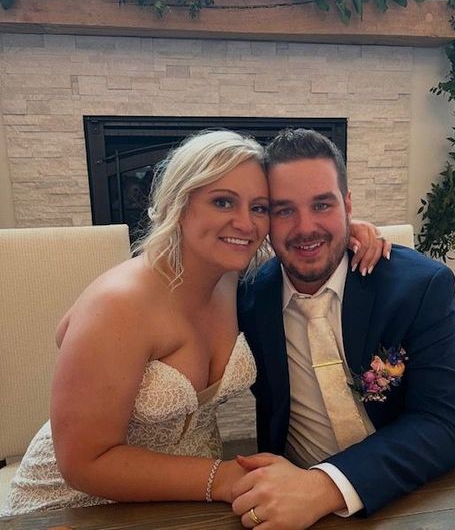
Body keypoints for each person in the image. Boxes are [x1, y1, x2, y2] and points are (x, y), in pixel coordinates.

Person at [0, 130, 386, 516]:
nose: (245, 224)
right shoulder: (119, 303)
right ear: (180, 204)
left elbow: (300, 240)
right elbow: (82, 464)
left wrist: (342, 229)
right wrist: (224, 478)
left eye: (260, 208)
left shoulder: (234, 278)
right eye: (222, 202)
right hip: (79, 507)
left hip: (187, 499)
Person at [234, 128, 455, 529]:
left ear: (347, 204)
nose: (305, 227)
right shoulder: (248, 298)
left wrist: (323, 487)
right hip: (292, 507)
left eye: (322, 204)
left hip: (412, 495)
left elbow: (445, 426)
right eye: (284, 209)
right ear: (264, 220)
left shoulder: (419, 287)